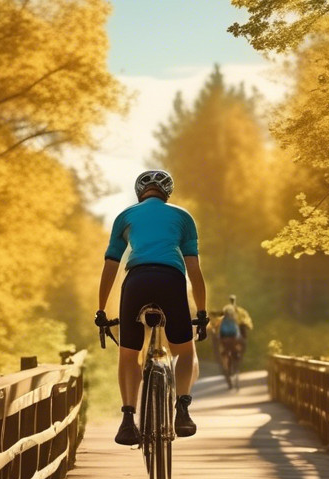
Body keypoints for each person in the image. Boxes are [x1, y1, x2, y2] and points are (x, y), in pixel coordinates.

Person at [95, 170, 208, 445]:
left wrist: (100, 310)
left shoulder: (125, 216)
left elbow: (111, 266)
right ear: (167, 192)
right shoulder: (183, 217)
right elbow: (194, 269)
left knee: (128, 354)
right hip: (170, 280)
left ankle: (127, 419)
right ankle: (182, 410)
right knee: (185, 350)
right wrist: (202, 313)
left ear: (139, 192)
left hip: (136, 282)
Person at [215, 295, 252, 369]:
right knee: (242, 342)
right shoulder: (237, 311)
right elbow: (245, 320)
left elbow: (219, 320)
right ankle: (238, 356)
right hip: (233, 332)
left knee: (221, 341)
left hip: (226, 333)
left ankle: (230, 355)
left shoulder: (227, 310)